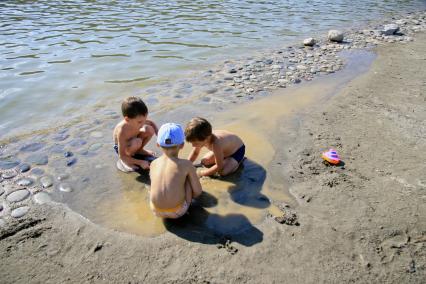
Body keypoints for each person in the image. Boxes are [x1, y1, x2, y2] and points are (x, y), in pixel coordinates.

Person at [149, 123, 202, 219]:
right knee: (187, 178)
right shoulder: (186, 164)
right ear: (182, 145)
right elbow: (198, 192)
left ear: (157, 144)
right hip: (178, 211)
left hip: (155, 210)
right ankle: (183, 206)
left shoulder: (153, 164)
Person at [113, 96, 158, 172]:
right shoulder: (122, 130)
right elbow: (122, 155)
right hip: (123, 150)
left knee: (149, 129)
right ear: (127, 119)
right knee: (137, 142)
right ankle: (127, 161)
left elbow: (151, 123)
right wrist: (140, 162)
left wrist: (158, 134)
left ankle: (139, 150)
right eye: (140, 122)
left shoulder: (138, 119)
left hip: (134, 141)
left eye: (145, 119)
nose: (143, 123)